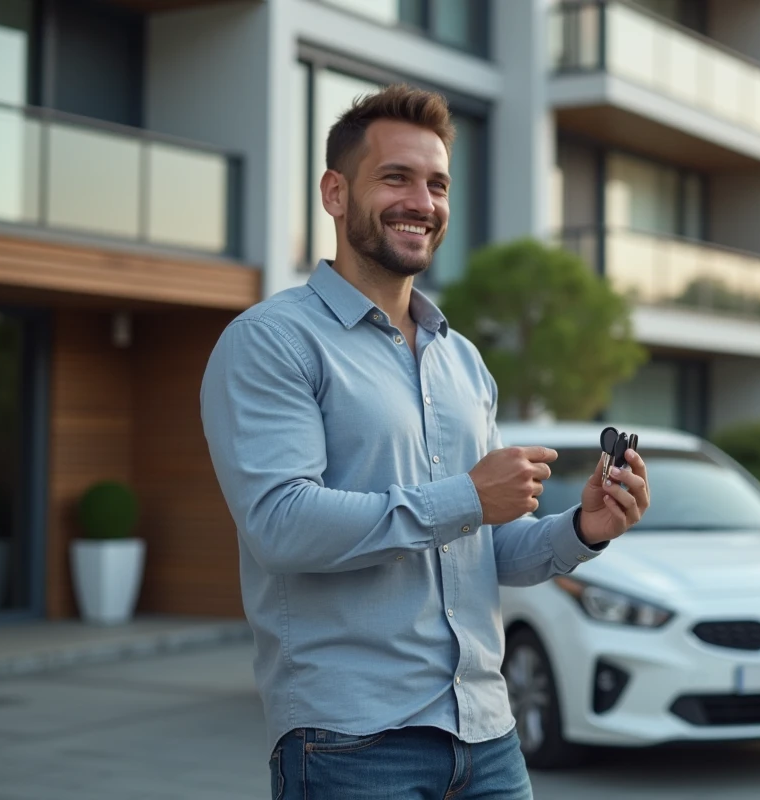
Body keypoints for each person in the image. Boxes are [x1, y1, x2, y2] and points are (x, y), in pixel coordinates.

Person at [199, 84, 651, 799]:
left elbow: (482, 549)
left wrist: (583, 528)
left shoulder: (462, 359)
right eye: (396, 178)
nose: (422, 202)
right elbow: (279, 525)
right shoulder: (271, 342)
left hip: (488, 736)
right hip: (349, 744)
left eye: (437, 184)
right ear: (335, 192)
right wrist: (467, 496)